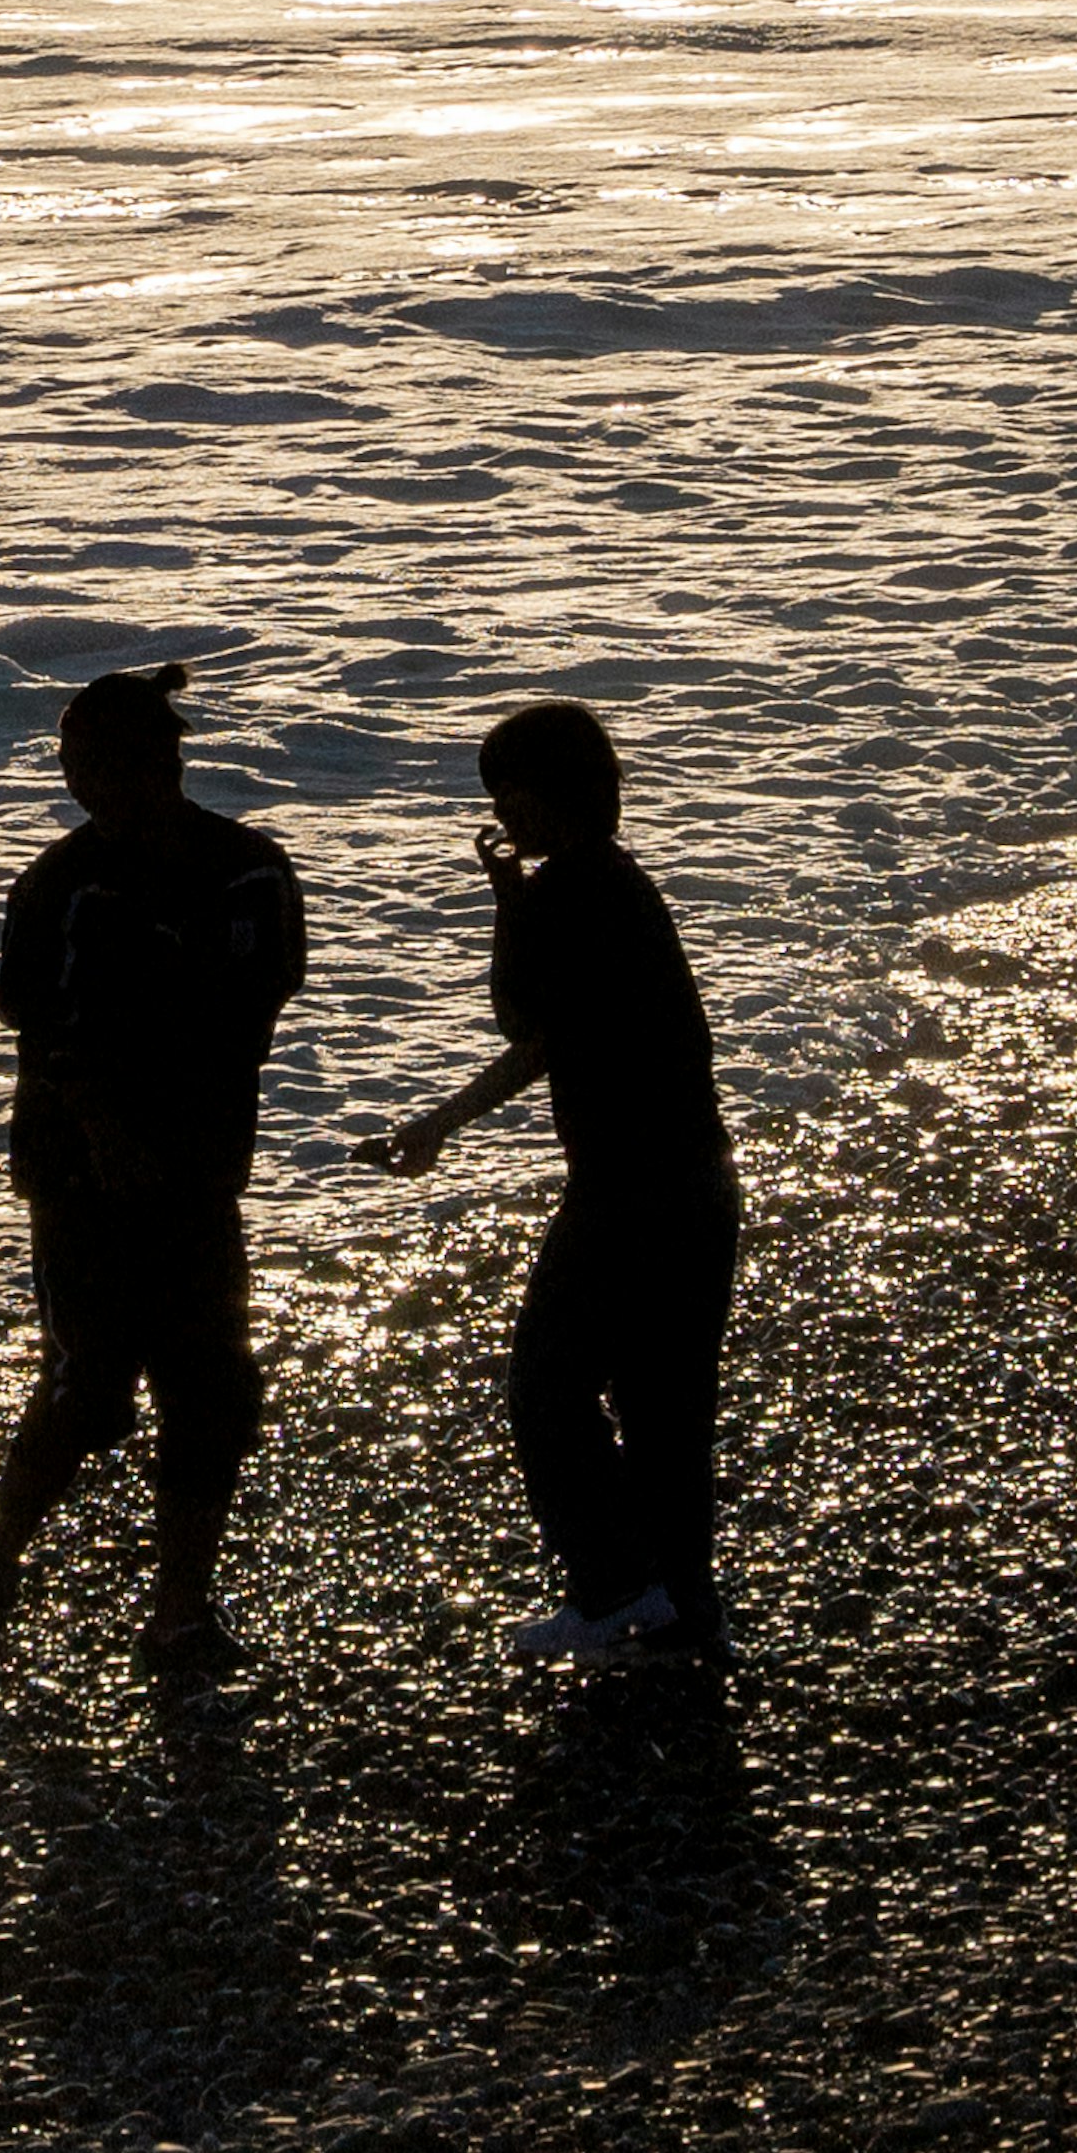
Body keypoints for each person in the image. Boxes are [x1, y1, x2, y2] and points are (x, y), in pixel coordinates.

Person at [0, 661, 307, 1685]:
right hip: (77, 1179)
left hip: (197, 1171)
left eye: (86, 762)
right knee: (89, 1387)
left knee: (211, 1388)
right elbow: (44, 1034)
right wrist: (109, 1132)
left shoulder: (247, 872)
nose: (75, 782)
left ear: (144, 763)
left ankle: (179, 1611)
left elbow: (260, 1003)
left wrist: (172, 1083)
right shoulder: (61, 886)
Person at [362, 697, 738, 1669]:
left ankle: (614, 1589)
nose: (501, 814)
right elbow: (552, 1038)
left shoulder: (568, 895)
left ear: (542, 796)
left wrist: (508, 907)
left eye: (505, 795)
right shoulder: (621, 884)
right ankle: (678, 1602)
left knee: (547, 1387)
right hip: (698, 1177)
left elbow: (519, 1018)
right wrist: (442, 1124)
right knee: (665, 1403)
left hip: (625, 1192)